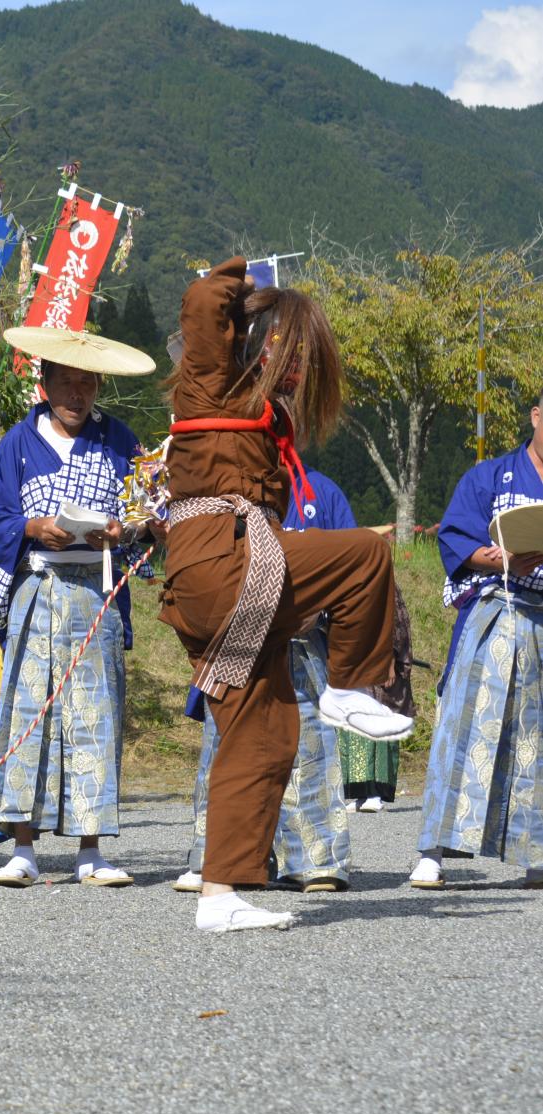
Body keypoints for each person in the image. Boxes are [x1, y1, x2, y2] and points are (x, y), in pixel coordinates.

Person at [160, 257, 410, 934]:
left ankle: (220, 893)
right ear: (253, 339)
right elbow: (200, 304)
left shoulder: (262, 414)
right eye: (287, 346)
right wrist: (240, 283)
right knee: (362, 552)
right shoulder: (210, 380)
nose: (296, 363)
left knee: (262, 731)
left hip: (239, 566)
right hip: (222, 558)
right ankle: (350, 685)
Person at [0, 328, 161, 889]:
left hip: (96, 594)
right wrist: (33, 527)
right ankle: (23, 848)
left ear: (98, 385)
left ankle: (90, 849)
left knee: (95, 715)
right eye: (66, 383)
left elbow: (147, 510)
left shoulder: (119, 439)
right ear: (44, 383)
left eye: (86, 383)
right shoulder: (16, 443)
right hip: (36, 588)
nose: (76, 394)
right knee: (28, 715)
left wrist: (123, 527)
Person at [175, 466, 357, 895]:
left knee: (308, 748)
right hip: (234, 646)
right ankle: (221, 860)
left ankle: (316, 860)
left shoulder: (322, 492)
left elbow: (348, 566)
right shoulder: (215, 496)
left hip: (303, 646)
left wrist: (322, 603)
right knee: (228, 748)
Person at [412, 406, 543, 891]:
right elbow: (456, 537)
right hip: (495, 611)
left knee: (536, 742)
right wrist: (495, 556)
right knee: (464, 728)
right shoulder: (491, 476)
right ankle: (433, 853)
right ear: (535, 416)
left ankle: (537, 855)